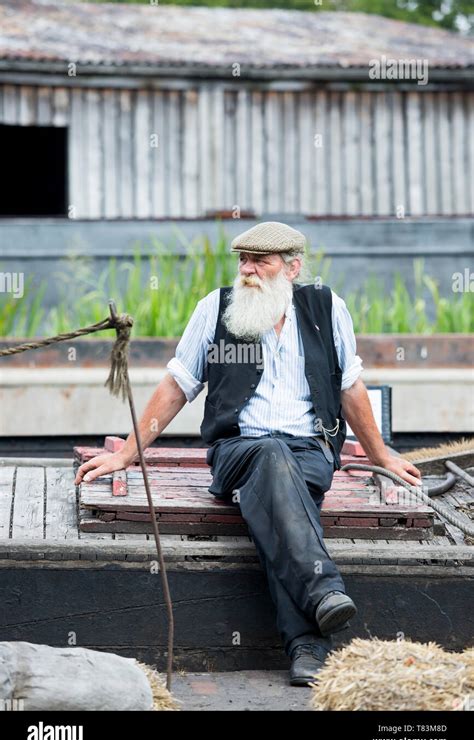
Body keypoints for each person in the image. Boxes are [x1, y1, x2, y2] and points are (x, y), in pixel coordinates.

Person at [75, 221, 422, 687]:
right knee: (270, 458)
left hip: (311, 451)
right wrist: (127, 454)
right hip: (238, 450)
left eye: (261, 261)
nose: (248, 270)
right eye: (243, 259)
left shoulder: (326, 308)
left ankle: (308, 644)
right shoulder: (215, 308)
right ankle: (321, 595)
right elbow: (178, 384)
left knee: (280, 485)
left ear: (293, 267)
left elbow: (350, 388)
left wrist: (381, 456)